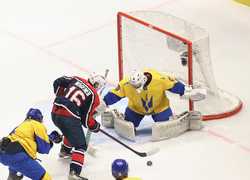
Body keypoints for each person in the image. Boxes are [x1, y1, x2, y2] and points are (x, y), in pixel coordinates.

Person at [103, 69, 205, 129]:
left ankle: (184, 120)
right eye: (134, 86)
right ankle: (117, 117)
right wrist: (104, 102)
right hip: (135, 109)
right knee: (129, 125)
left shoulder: (159, 79)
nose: (135, 88)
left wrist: (186, 91)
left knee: (165, 125)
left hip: (160, 108)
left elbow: (173, 85)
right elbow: (115, 94)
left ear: (143, 80)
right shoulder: (125, 83)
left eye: (138, 85)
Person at [51, 73, 106, 180]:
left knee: (72, 131)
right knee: (81, 146)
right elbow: (86, 119)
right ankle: (74, 173)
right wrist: (94, 126)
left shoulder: (76, 79)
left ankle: (65, 151)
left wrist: (61, 97)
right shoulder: (94, 96)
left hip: (55, 111)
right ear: (97, 86)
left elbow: (58, 81)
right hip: (68, 118)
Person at [0, 108, 62, 180]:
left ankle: (14, 175)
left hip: (4, 154)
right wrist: (52, 141)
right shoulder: (38, 125)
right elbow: (44, 148)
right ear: (39, 118)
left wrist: (51, 137)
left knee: (15, 171)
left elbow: (30, 139)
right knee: (45, 178)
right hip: (18, 155)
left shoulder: (21, 125)